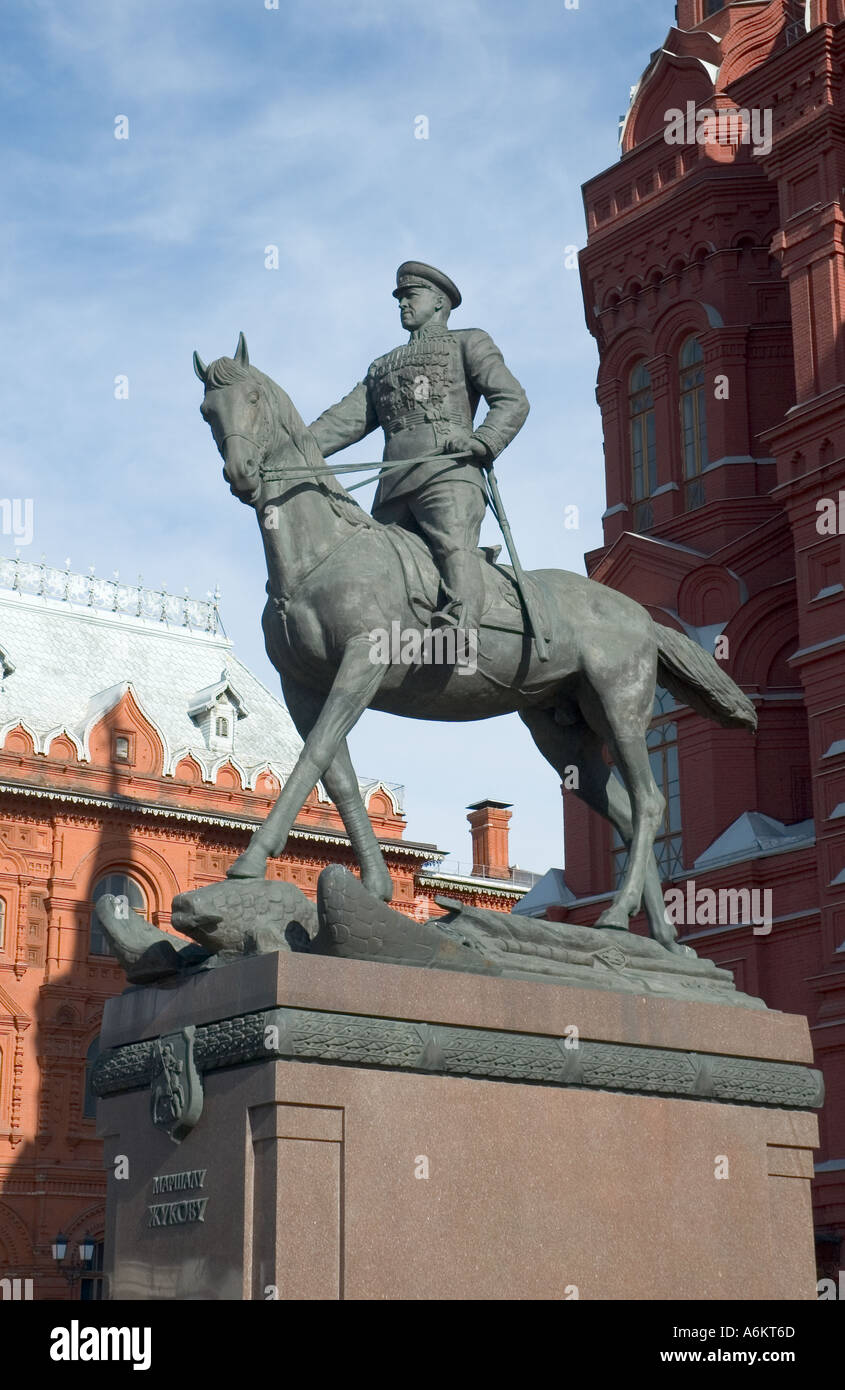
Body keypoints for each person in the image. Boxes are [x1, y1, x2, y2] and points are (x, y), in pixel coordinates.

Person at [308, 261, 529, 630]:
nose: (402, 304)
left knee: (453, 547)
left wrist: (482, 440)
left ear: (438, 301)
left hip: (448, 474)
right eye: (399, 298)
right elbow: (343, 422)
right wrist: (289, 448)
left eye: (410, 295)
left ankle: (461, 633)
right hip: (393, 485)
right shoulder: (382, 366)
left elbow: (512, 399)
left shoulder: (468, 342)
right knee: (372, 565)